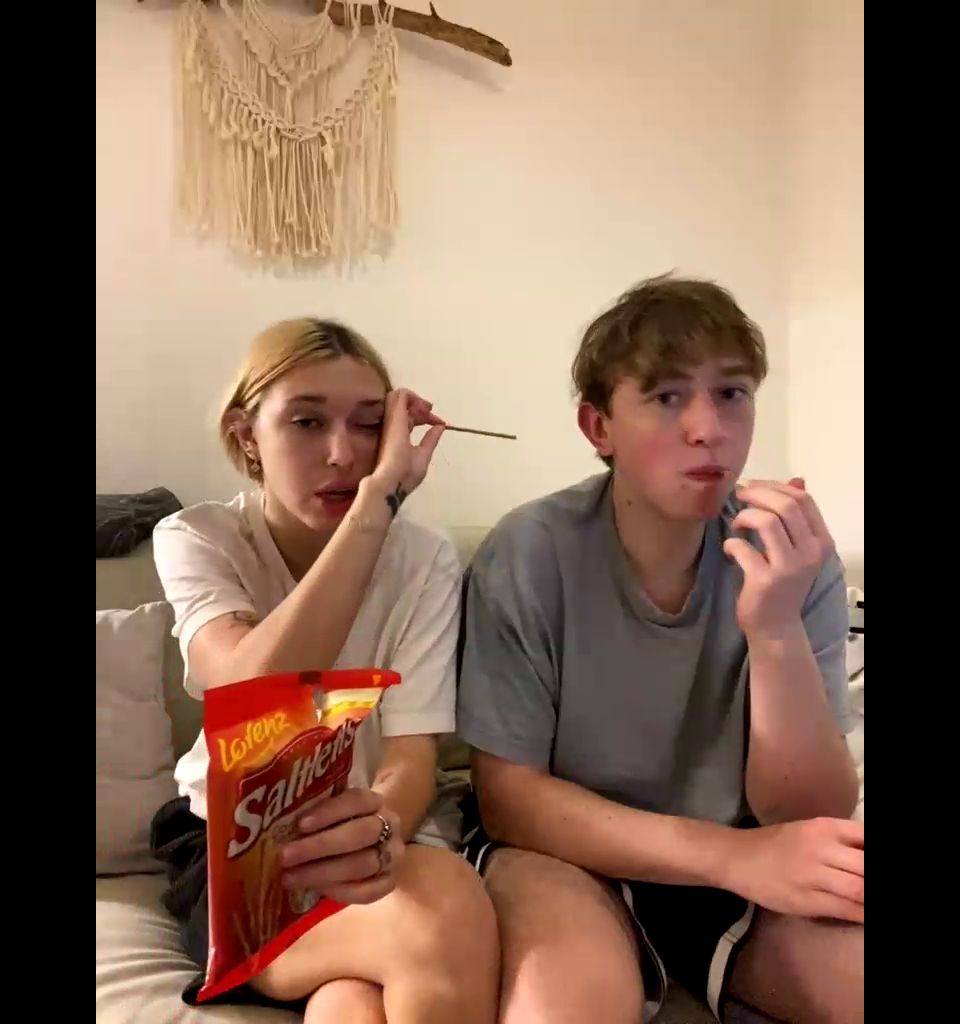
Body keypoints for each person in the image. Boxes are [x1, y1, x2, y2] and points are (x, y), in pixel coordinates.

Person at [457, 275, 863, 1024]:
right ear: (598, 426)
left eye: (732, 393)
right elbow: (509, 799)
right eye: (668, 396)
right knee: (569, 1009)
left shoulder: (793, 557)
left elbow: (809, 812)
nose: (708, 428)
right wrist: (730, 857)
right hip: (568, 855)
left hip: (741, 867)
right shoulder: (529, 553)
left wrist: (774, 630)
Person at [149, 318, 498, 1024]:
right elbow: (251, 691)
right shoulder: (198, 538)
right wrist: (376, 505)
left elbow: (413, 751)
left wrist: (379, 827)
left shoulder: (424, 559)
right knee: (440, 923)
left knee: (350, 1003)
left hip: (382, 830)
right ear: (247, 435)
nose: (343, 454)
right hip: (239, 848)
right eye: (306, 422)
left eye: (369, 426)